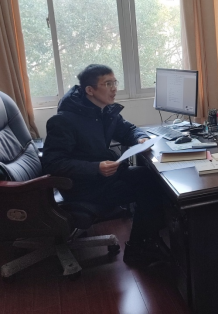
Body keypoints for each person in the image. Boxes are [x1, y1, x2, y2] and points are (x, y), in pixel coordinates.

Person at [41, 64, 168, 266]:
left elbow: (128, 129)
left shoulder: (103, 111)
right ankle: (139, 248)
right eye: (108, 84)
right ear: (89, 90)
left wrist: (140, 138)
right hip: (82, 186)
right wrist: (95, 167)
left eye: (114, 82)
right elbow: (52, 163)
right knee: (150, 187)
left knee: (150, 178)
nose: (114, 88)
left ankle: (149, 240)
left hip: (104, 178)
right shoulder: (64, 121)